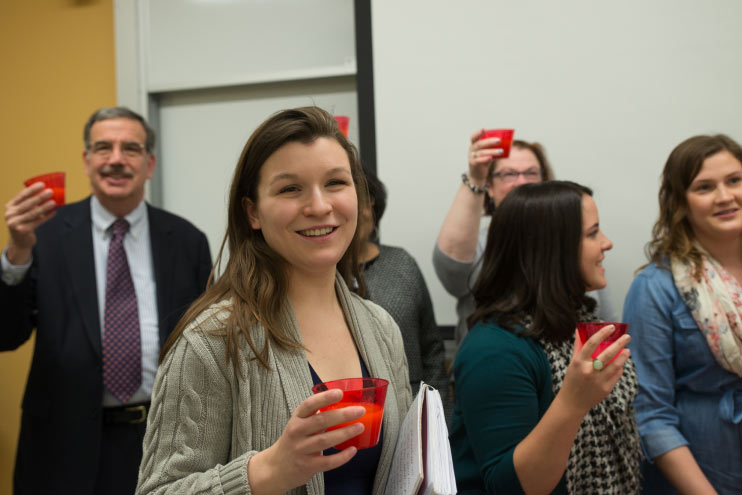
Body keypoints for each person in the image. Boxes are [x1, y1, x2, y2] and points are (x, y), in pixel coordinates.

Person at [136, 106, 412, 494]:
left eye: (335, 182)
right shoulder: (212, 341)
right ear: (252, 212)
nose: (319, 206)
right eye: (289, 189)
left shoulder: (381, 327)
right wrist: (266, 471)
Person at [0, 107, 212, 494]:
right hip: (60, 448)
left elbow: (205, 343)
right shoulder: (42, 236)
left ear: (149, 164)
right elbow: (5, 334)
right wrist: (16, 253)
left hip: (165, 441)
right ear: (86, 161)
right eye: (103, 148)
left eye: (130, 149)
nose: (116, 159)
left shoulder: (186, 241)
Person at [450, 181, 641, 494]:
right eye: (593, 233)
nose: (607, 243)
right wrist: (573, 402)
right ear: (553, 249)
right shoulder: (494, 349)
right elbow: (509, 487)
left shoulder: (581, 322)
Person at [623, 134, 742, 494]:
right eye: (704, 187)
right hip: (704, 477)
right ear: (680, 202)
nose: (725, 196)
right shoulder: (655, 287)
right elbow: (650, 414)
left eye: (735, 180)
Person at [433, 129, 616, 347]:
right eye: (509, 174)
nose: (521, 182)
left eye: (531, 173)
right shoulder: (479, 244)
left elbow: (606, 324)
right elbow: (452, 274)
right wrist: (475, 176)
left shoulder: (573, 244)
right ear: (489, 187)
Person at [358, 169, 449, 410]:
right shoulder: (318, 277)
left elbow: (432, 350)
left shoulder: (402, 264)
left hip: (411, 409)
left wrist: (438, 420)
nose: (359, 212)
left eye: (366, 202)